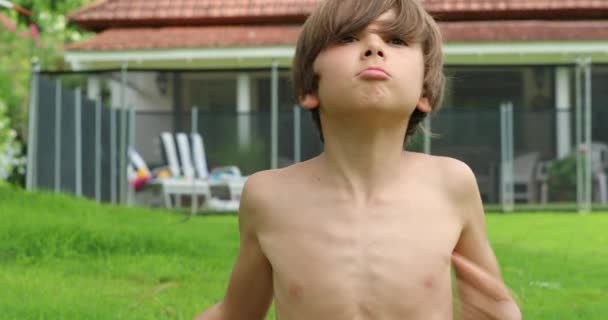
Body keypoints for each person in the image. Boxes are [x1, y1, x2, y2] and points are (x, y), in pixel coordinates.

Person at [194, 0, 521, 319]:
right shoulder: (267, 196)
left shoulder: (451, 184)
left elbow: (491, 305)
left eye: (396, 40)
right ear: (310, 88)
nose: (374, 48)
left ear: (424, 92)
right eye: (348, 38)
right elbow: (236, 313)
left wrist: (504, 313)